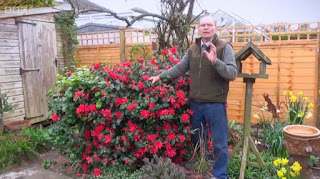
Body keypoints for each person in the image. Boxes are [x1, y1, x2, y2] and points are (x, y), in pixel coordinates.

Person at [148, 15, 237, 179]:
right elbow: (180, 67)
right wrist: (160, 76)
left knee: (220, 144)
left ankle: (219, 175)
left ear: (215, 28)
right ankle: (201, 169)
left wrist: (216, 61)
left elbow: (232, 73)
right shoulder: (193, 49)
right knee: (198, 141)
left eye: (209, 25)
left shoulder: (224, 47)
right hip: (196, 104)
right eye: (202, 25)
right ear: (198, 28)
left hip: (215, 104)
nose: (206, 28)